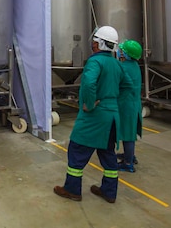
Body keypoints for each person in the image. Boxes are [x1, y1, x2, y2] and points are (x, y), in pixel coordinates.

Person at [54, 25, 133, 204]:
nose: (93, 44)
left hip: (95, 117)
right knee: (108, 154)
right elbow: (128, 86)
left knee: (77, 150)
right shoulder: (117, 64)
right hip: (112, 117)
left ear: (99, 44)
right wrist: (113, 102)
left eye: (95, 41)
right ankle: (109, 192)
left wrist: (90, 103)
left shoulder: (95, 62)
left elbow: (89, 83)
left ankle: (72, 190)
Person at [116, 39, 143, 173]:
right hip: (134, 103)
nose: (120, 52)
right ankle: (130, 156)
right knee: (130, 132)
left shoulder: (124, 67)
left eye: (122, 50)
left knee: (127, 134)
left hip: (126, 105)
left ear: (126, 54)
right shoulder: (135, 66)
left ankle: (128, 163)